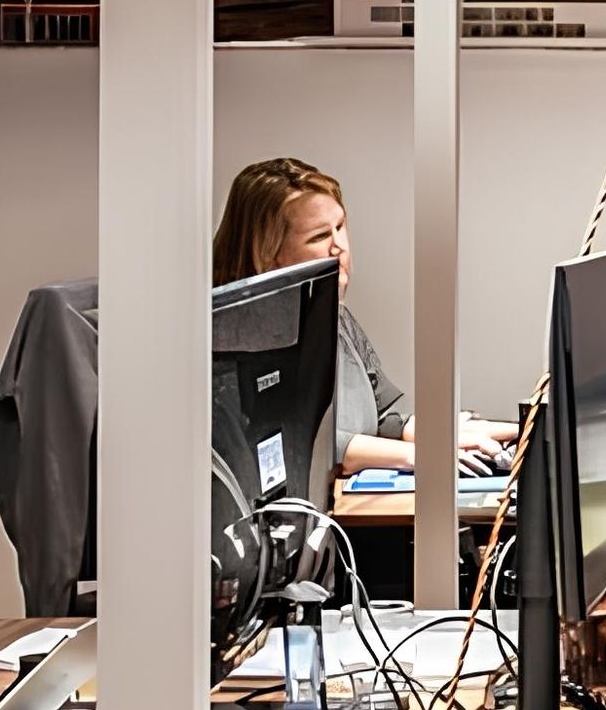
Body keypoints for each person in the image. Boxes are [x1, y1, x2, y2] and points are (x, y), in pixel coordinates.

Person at [213, 157, 517, 477]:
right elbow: (301, 445)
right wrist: (419, 455)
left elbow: (386, 415)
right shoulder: (236, 343)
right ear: (266, 252)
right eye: (319, 236)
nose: (339, 247)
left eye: (340, 227)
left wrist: (494, 434)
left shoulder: (335, 318)